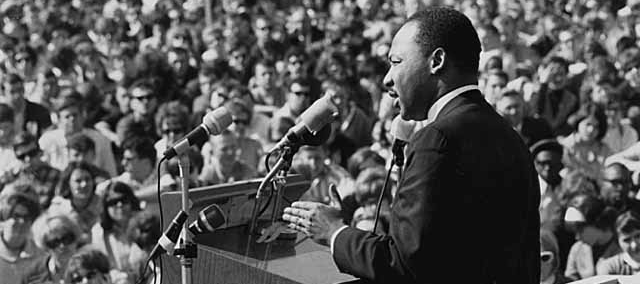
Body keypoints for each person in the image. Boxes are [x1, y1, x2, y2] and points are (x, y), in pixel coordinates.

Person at [283, 7, 540, 283]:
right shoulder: (510, 136)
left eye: (396, 62)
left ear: (436, 61)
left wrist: (334, 231)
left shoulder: (437, 138)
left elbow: (404, 264)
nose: (387, 79)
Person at [0, 183, 44, 284]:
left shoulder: (40, 257)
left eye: (27, 217)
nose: (21, 222)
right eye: (16, 215)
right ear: (4, 215)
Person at [21, 213, 82, 284]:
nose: (61, 246)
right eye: (53, 243)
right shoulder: (32, 275)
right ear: (46, 247)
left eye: (66, 239)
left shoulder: (93, 267)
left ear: (75, 237)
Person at [596, 210, 640, 275]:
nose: (634, 245)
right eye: (627, 240)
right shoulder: (609, 267)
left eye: (638, 236)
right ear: (618, 242)